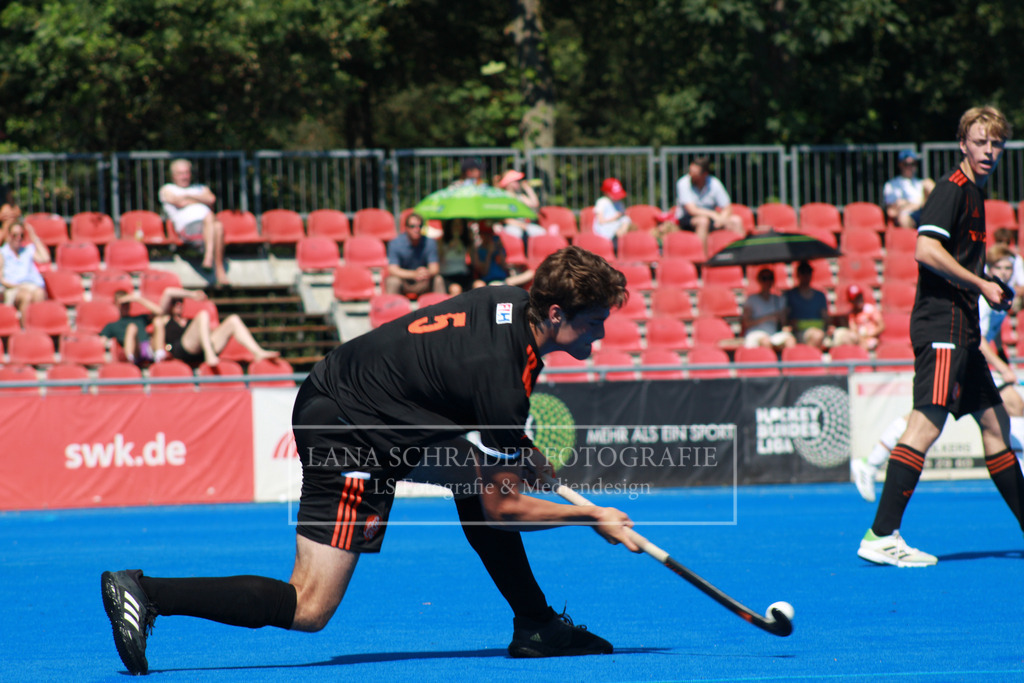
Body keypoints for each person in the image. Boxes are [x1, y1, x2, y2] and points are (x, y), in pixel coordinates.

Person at [100, 246, 639, 674]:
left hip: (364, 404)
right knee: (310, 606)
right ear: (554, 313)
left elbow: (460, 388)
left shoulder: (506, 302)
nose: (601, 332)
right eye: (593, 321)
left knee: (471, 481)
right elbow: (505, 506)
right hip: (350, 430)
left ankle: (536, 626)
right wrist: (594, 516)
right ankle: (146, 593)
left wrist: (521, 449)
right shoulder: (503, 378)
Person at [857, 105, 1024, 568]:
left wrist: (986, 283)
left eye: (996, 144)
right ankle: (880, 535)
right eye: (980, 141)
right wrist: (981, 283)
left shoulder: (976, 193)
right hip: (942, 324)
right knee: (924, 425)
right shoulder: (952, 190)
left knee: (996, 425)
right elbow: (924, 249)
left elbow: (957, 259)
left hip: (964, 327)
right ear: (962, 145)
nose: (989, 150)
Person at [852, 244, 1024, 502]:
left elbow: (993, 338)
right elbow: (979, 339)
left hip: (976, 359)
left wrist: (1002, 360)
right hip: (966, 353)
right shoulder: (985, 294)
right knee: (927, 417)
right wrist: (1002, 368)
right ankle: (871, 466)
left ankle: (871, 462)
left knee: (939, 415)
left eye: (1009, 268)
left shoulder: (999, 294)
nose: (1005, 272)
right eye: (999, 267)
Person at [155, 287, 279, 368]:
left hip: (201, 349)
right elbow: (168, 292)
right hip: (182, 350)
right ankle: (210, 355)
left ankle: (258, 352)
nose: (179, 304)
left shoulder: (189, 320)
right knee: (203, 314)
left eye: (181, 301)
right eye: (175, 302)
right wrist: (192, 294)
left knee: (233, 320)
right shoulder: (165, 319)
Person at [158, 159, 230, 285]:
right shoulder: (167, 189)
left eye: (186, 173)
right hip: (188, 228)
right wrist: (201, 199)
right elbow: (179, 202)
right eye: (180, 173)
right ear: (173, 175)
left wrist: (187, 197)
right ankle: (217, 269)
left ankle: (211, 262)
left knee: (216, 224)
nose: (184, 176)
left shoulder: (200, 187)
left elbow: (211, 199)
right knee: (210, 217)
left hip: (209, 228)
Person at [675, 157, 744, 253]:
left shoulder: (714, 183)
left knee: (736, 220)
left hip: (711, 217)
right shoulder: (683, 183)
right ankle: (702, 258)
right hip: (688, 219)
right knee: (703, 221)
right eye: (690, 172)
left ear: (705, 174)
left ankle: (741, 255)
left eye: (695, 173)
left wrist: (722, 219)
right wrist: (713, 214)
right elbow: (692, 210)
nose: (691, 175)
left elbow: (727, 207)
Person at [384, 212, 446, 297]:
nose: (416, 229)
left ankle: (442, 309)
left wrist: (425, 273)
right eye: (412, 226)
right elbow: (392, 269)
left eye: (419, 226)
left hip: (424, 281)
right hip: (404, 282)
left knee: (438, 279)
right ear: (406, 228)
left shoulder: (430, 242)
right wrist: (414, 274)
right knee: (392, 281)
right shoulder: (395, 243)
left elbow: (434, 268)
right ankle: (391, 308)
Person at [99, 291, 166, 366]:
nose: (125, 306)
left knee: (158, 321)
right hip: (135, 350)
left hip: (148, 348)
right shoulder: (112, 325)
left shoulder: (139, 319)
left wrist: (137, 299)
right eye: (122, 304)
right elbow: (102, 342)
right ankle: (130, 358)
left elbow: (160, 312)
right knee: (132, 327)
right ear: (116, 304)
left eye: (127, 304)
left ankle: (159, 356)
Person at [0, 220, 50, 316]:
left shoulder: (28, 250)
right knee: (26, 296)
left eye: (21, 235)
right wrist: (18, 286)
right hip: (12, 288)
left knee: (39, 293)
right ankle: (25, 328)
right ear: (9, 236)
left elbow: (45, 258)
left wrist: (34, 237)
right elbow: (1, 279)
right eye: (15, 235)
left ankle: (38, 326)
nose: (18, 238)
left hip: (30, 285)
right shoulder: (2, 253)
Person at [741, 268, 795, 350]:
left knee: (790, 340)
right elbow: (747, 323)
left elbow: (784, 323)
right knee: (765, 341)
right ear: (759, 280)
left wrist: (783, 319)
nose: (767, 281)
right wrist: (767, 318)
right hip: (756, 333)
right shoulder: (751, 299)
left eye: (770, 278)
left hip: (773, 334)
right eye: (764, 278)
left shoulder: (779, 299)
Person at [470, 220, 534, 288]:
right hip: (489, 281)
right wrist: (489, 254)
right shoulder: (477, 250)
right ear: (481, 235)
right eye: (485, 234)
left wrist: (500, 250)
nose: (488, 237)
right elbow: (484, 272)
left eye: (490, 234)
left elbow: (504, 266)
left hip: (503, 279)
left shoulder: (497, 248)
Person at [883, 150, 935, 229]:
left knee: (929, 183)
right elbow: (891, 212)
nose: (910, 167)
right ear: (900, 165)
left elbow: (925, 204)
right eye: (906, 164)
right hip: (907, 216)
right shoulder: (891, 184)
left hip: (924, 213)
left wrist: (907, 204)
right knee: (903, 218)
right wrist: (917, 205)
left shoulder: (921, 182)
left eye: (913, 164)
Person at [784, 261, 830, 349]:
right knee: (815, 336)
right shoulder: (790, 295)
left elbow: (825, 317)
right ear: (798, 274)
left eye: (808, 272)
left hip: (817, 329)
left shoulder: (820, 295)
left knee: (817, 335)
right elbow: (785, 317)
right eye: (803, 272)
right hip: (798, 332)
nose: (806, 276)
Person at [495, 169, 546, 243]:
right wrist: (521, 225)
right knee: (515, 232)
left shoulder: (520, 197)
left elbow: (534, 204)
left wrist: (527, 188)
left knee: (541, 232)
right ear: (509, 183)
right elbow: (505, 219)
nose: (518, 183)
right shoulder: (503, 197)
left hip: (524, 225)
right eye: (516, 181)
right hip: (510, 226)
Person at [832, 284, 884, 351]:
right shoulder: (851, 314)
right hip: (858, 340)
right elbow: (853, 330)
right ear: (851, 301)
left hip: (872, 338)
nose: (859, 300)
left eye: (860, 297)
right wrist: (861, 338)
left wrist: (869, 335)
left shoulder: (870, 309)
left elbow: (881, 326)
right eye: (856, 299)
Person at [436, 219, 475, 295]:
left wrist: (472, 242)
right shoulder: (442, 241)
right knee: (456, 289)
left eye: (460, 225)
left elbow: (473, 261)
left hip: (463, 275)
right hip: (448, 276)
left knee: (479, 285)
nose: (457, 227)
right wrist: (449, 247)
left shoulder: (465, 241)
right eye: (455, 225)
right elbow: (438, 260)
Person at [592, 177, 633, 245]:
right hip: (605, 230)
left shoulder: (619, 203)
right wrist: (615, 217)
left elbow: (623, 217)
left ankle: (622, 243)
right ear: (606, 193)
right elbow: (601, 221)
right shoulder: (602, 202)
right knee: (625, 220)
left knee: (626, 219)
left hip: (617, 229)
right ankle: (618, 244)